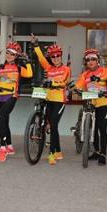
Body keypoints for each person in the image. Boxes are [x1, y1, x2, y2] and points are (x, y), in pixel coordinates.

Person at [0, 41, 32, 162]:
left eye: (13, 54)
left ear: (16, 56)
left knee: (0, 118)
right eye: (8, 52)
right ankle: (10, 146)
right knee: (4, 121)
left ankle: (3, 148)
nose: (9, 55)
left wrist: (28, 61)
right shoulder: (0, 67)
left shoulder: (19, 68)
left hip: (11, 97)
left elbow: (30, 74)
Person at [31, 35, 71, 165]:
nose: (55, 58)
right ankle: (58, 152)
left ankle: (52, 153)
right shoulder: (49, 68)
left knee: (53, 125)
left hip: (60, 101)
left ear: (61, 56)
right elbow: (41, 58)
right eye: (53, 56)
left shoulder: (66, 69)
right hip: (48, 100)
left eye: (58, 55)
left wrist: (53, 83)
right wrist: (36, 45)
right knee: (53, 126)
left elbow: (63, 81)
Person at [75, 48, 107, 165]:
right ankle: (96, 151)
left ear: (98, 60)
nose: (90, 61)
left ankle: (103, 154)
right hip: (90, 103)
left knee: (102, 129)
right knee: (93, 129)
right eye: (88, 60)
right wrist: (77, 89)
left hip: (103, 103)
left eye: (93, 59)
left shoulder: (104, 70)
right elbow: (79, 85)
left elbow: (106, 80)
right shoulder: (84, 74)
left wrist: (98, 80)